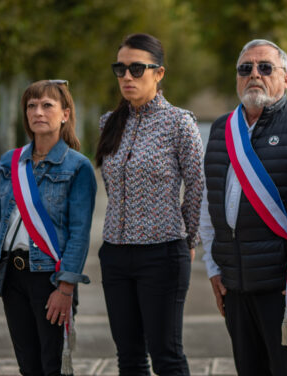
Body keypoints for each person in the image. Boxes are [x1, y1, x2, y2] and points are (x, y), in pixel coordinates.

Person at [200, 39, 287, 376]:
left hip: (286, 286)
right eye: (246, 68)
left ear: (286, 79)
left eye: (265, 67)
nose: (254, 74)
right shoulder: (220, 129)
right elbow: (208, 203)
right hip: (235, 284)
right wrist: (213, 267)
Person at [96, 33, 203, 376]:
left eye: (137, 69)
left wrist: (188, 240)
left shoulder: (179, 123)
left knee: (166, 356)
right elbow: (112, 186)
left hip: (162, 253)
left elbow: (197, 185)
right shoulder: (107, 123)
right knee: (128, 357)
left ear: (159, 73)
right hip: (114, 254)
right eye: (121, 68)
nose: (127, 77)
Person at [0, 79, 97, 375]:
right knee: (27, 365)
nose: (38, 112)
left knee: (53, 364)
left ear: (65, 114)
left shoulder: (78, 167)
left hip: (50, 278)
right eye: (31, 106)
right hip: (11, 275)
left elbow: (80, 233)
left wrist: (66, 287)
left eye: (47, 105)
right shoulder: (9, 162)